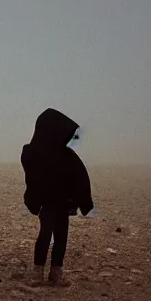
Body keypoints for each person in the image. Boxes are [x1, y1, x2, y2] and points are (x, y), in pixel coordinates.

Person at [21, 108, 94, 287]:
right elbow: (33, 179)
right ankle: (38, 272)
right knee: (45, 235)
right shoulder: (34, 153)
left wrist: (83, 203)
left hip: (62, 203)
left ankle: (56, 272)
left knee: (61, 237)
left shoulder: (66, 156)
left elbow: (80, 179)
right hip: (48, 204)